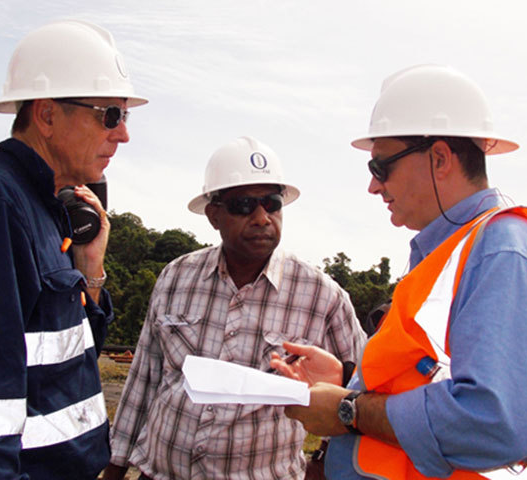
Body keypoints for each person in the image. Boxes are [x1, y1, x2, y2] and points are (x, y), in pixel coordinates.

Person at [271, 64, 527, 479]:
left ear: (440, 158)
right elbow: (438, 374)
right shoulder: (455, 251)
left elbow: (497, 421)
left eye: (380, 168)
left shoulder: (502, 250)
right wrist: (348, 379)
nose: (373, 186)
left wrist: (347, 410)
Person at [0, 20, 147, 479]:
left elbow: (63, 366)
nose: (122, 135)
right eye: (110, 115)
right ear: (46, 115)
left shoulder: (50, 212)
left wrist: (90, 270)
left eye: (126, 117)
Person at [103, 136, 366, 480]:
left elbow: (363, 388)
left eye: (271, 204)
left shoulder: (322, 295)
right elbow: (144, 379)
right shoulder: (176, 277)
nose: (261, 218)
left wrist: (323, 458)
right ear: (214, 215)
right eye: (244, 205)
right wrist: (115, 467)